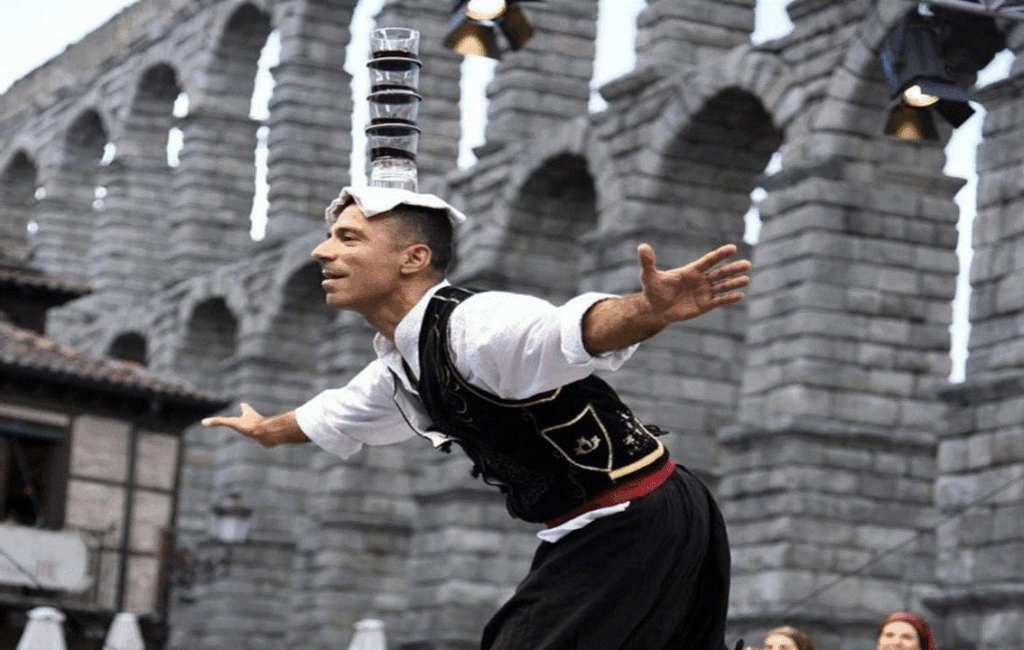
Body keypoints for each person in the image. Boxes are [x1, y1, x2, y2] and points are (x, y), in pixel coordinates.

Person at [203, 185, 752, 650]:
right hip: (639, 513)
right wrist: (266, 430)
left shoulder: (476, 325)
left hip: (630, 515)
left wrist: (646, 310)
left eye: (348, 238)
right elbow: (336, 413)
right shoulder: (402, 364)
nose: (323, 252)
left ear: (413, 258)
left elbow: (568, 331)